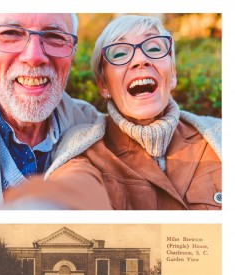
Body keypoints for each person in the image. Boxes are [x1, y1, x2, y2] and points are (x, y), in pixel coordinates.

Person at [43, 14, 222, 210]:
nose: (141, 60)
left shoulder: (219, 135)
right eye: (119, 54)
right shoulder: (83, 149)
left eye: (154, 48)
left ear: (172, 75)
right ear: (103, 85)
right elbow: (73, 191)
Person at [0, 13, 111, 210]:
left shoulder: (95, 128)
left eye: (54, 37)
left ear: (72, 53)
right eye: (10, 34)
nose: (33, 57)